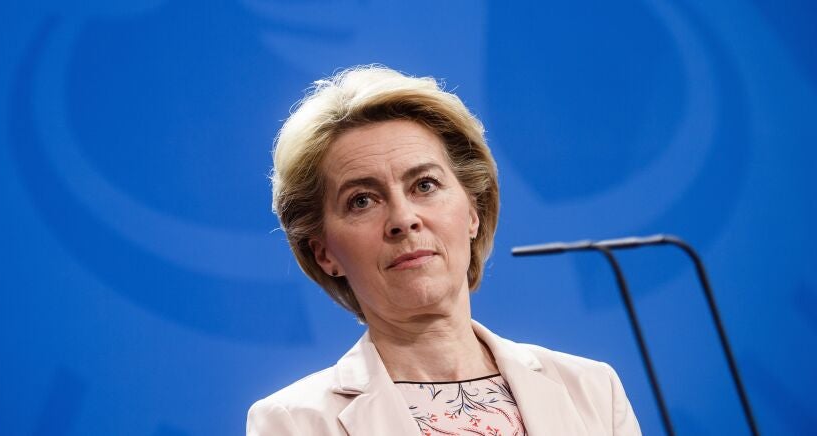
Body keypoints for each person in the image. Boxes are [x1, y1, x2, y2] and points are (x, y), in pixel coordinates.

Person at [247, 65, 641, 435]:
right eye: (362, 201)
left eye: (425, 185)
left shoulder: (593, 391)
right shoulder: (294, 423)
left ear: (473, 211)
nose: (403, 219)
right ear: (324, 253)